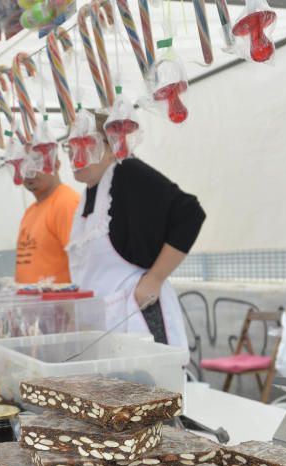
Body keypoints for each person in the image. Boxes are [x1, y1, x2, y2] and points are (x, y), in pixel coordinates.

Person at [67, 112, 205, 348]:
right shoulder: (88, 196)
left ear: (113, 147)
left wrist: (155, 278)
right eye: (70, 147)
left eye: (86, 144)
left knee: (150, 384)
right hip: (104, 324)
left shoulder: (127, 172)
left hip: (137, 316)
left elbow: (190, 213)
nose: (75, 155)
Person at [14, 159, 79, 284]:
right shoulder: (30, 211)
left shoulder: (66, 203)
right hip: (35, 302)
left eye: (36, 162)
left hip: (59, 302)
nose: (28, 172)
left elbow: (81, 261)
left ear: (56, 163)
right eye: (21, 165)